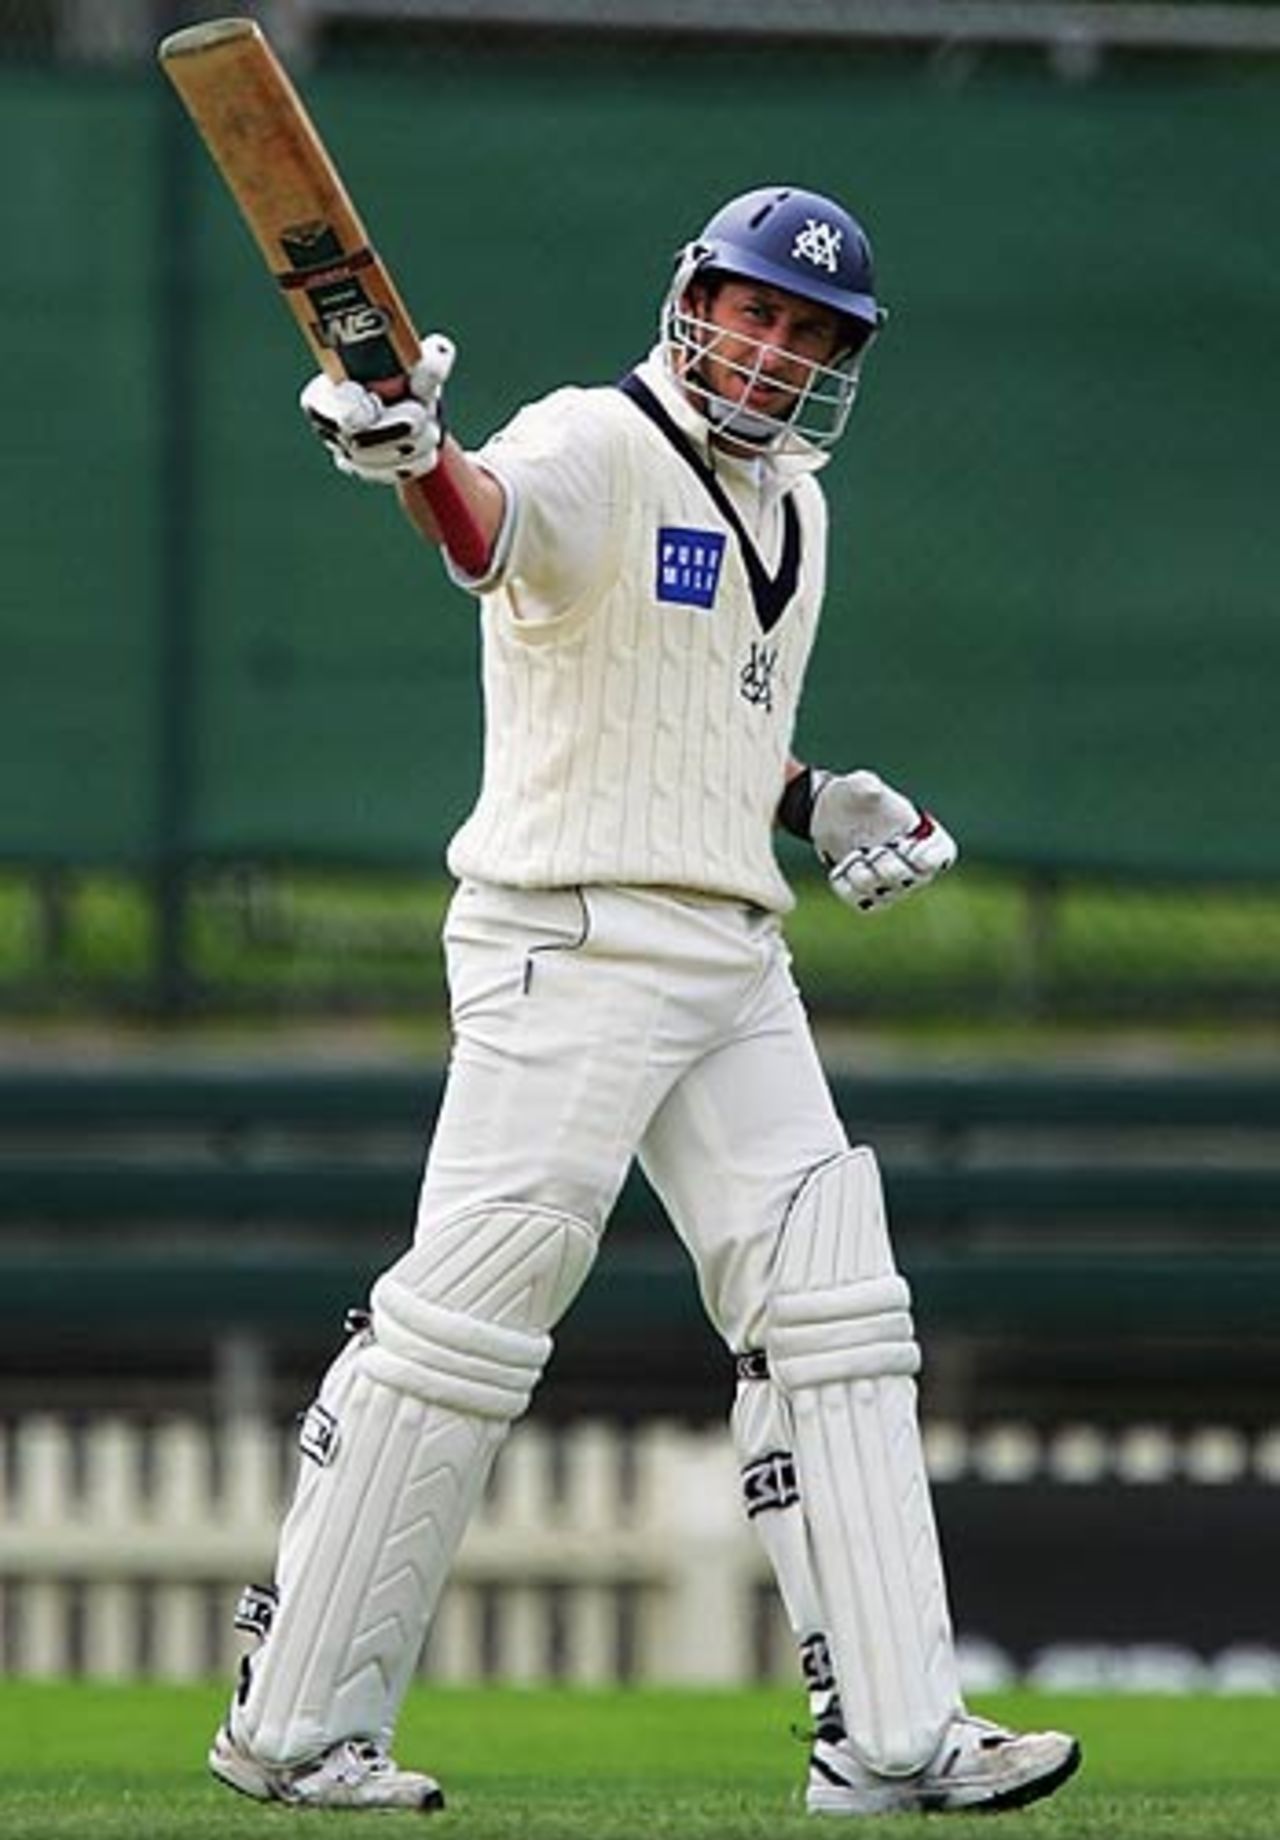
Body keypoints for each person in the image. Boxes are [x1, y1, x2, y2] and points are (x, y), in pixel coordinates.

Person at [208, 184, 1081, 1816]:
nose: (774, 348)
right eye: (755, 309)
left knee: (839, 1315)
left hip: (735, 954)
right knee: (466, 1323)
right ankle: (296, 1723)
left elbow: (692, 728)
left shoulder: (803, 511)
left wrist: (819, 802)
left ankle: (891, 1740)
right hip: (570, 932)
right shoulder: (592, 441)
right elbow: (488, 532)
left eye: (811, 333)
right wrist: (411, 453)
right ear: (695, 297)